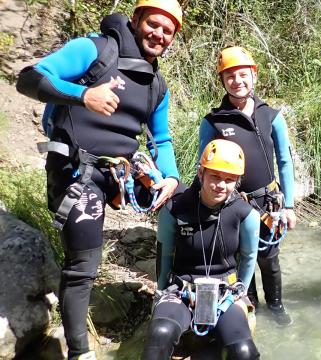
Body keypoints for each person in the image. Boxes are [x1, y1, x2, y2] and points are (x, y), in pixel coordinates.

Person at [15, 1, 182, 358]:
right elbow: (29, 77)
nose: (159, 35)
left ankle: (177, 291)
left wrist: (170, 176)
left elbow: (161, 139)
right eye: (154, 25)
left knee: (182, 197)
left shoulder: (157, 85)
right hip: (77, 171)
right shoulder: (94, 49)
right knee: (84, 267)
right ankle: (80, 352)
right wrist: (83, 95)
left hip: (118, 174)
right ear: (137, 20)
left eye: (168, 31)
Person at [198, 46, 296, 326]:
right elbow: (202, 166)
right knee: (242, 256)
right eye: (230, 75)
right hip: (233, 202)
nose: (237, 80)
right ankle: (249, 304)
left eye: (243, 74)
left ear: (253, 75)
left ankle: (275, 306)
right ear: (222, 80)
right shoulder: (214, 120)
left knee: (269, 257)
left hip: (268, 201)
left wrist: (288, 205)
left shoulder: (271, 116)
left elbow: (285, 161)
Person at [142, 139, 260, 360]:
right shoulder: (175, 209)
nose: (221, 185)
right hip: (181, 289)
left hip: (227, 291)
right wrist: (160, 291)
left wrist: (240, 292)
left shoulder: (245, 214)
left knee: (244, 352)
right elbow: (164, 254)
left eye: (229, 179)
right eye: (214, 176)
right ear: (201, 173)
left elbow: (249, 256)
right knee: (160, 334)